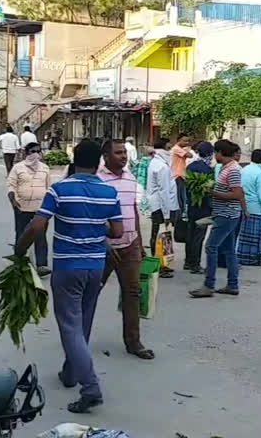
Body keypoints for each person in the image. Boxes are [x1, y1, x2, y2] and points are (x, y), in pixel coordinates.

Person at [15, 139, 123, 414]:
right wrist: (97, 226)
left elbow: (38, 224)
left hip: (67, 267)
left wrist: (19, 250)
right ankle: (70, 372)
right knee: (83, 322)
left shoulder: (60, 189)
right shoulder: (109, 192)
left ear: (74, 160)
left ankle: (90, 387)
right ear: (99, 161)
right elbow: (117, 232)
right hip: (95, 266)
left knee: (70, 327)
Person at [98, 140, 154, 360]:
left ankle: (133, 341)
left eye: (124, 153)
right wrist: (103, 241)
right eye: (118, 153)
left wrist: (139, 243)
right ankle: (78, 337)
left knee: (132, 293)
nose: (123, 156)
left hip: (130, 245)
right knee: (91, 292)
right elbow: (92, 215)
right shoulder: (98, 180)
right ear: (106, 156)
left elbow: (133, 211)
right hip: (104, 248)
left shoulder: (130, 178)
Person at [190, 140, 245, 298]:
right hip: (225, 213)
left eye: (216, 153)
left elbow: (236, 194)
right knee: (228, 250)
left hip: (226, 215)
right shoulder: (226, 168)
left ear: (221, 152)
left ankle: (209, 285)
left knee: (211, 247)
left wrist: (212, 193)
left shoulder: (232, 170)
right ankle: (232, 284)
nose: (214, 156)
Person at [8, 142, 51, 277]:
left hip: (40, 209)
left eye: (38, 151)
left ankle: (41, 265)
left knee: (40, 235)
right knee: (21, 235)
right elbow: (11, 185)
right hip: (22, 207)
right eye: (33, 151)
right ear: (26, 153)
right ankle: (19, 262)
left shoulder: (45, 168)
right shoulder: (18, 168)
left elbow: (49, 188)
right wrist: (13, 201)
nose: (36, 154)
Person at [146, 138, 179, 278]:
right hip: (161, 205)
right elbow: (164, 190)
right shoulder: (161, 166)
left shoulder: (156, 162)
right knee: (160, 236)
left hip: (157, 204)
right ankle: (159, 265)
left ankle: (162, 263)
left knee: (160, 235)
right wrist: (166, 214)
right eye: (169, 148)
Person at [184, 141, 214, 274]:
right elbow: (210, 190)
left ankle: (188, 261)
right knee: (199, 235)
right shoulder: (207, 170)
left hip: (191, 205)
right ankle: (195, 263)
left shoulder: (190, 167)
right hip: (203, 207)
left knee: (190, 233)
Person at [237, 149, 261, 266]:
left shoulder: (244, 170)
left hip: (244, 205)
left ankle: (241, 256)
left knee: (244, 234)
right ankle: (253, 258)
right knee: (255, 235)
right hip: (256, 207)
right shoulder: (259, 173)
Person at [170, 133, 193, 211]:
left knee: (181, 196)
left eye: (188, 141)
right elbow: (190, 155)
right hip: (178, 175)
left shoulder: (179, 149)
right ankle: (179, 214)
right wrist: (188, 149)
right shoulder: (176, 149)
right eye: (185, 141)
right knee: (179, 196)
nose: (187, 143)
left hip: (180, 175)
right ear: (179, 140)